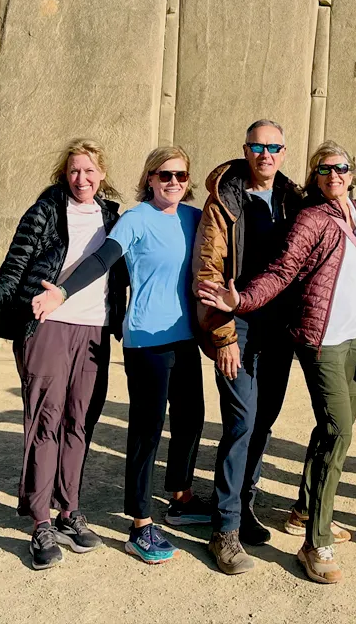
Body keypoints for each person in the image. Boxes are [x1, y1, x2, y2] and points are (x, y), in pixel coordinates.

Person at [198, 141, 356, 585]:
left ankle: (306, 506)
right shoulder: (310, 217)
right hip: (320, 338)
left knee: (325, 428)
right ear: (314, 174)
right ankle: (313, 539)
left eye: (341, 168)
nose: (333, 176)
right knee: (334, 429)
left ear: (352, 173)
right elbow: (283, 272)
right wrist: (240, 302)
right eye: (324, 170)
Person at [0, 138, 129, 571]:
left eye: (89, 171)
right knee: (45, 422)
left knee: (80, 422)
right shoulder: (45, 212)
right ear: (65, 175)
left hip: (95, 330)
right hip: (45, 328)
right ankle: (41, 521)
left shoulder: (114, 218)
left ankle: (70, 511)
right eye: (73, 171)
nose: (81, 178)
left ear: (102, 174)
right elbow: (11, 273)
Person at [32, 145, 207, 564]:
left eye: (181, 176)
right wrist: (63, 291)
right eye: (165, 175)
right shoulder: (135, 220)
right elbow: (102, 260)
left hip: (184, 338)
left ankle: (180, 497)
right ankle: (140, 524)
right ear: (149, 178)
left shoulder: (194, 218)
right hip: (146, 339)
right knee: (147, 429)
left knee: (191, 417)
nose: (173, 183)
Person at [192, 120, 305, 575]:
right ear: (246, 149)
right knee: (240, 421)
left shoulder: (292, 201)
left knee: (264, 423)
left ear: (283, 151)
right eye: (258, 146)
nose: (265, 154)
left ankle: (246, 504)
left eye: (274, 147)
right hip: (236, 327)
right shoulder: (224, 201)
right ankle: (225, 529)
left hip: (278, 331)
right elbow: (207, 275)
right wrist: (221, 336)